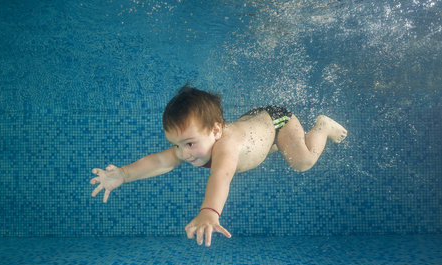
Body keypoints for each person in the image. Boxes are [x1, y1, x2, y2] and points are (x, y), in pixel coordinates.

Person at [90, 85, 347, 247]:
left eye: (189, 144)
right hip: (257, 127)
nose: (183, 153)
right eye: (177, 145)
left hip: (278, 121)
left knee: (302, 162)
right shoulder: (196, 143)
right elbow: (159, 161)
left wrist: (209, 212)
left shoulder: (224, 145)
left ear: (215, 131)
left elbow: (221, 175)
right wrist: (123, 174)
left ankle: (322, 126)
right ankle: (274, 143)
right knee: (266, 147)